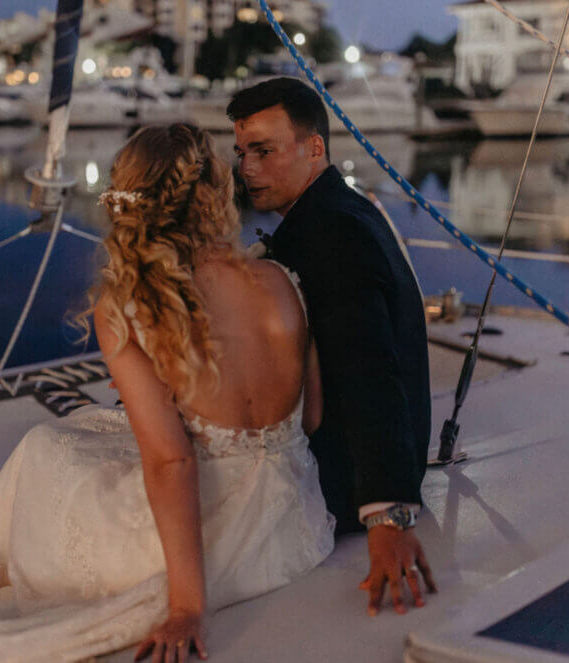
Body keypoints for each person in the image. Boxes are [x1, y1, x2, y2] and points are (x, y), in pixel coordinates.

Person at [0, 124, 334, 663]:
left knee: (47, 446)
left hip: (206, 542)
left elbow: (172, 461)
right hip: (292, 523)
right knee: (90, 425)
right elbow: (310, 416)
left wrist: (186, 606)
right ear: (218, 192)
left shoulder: (132, 302)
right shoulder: (280, 278)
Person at [227, 77, 437, 617]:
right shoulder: (339, 211)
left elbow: (369, 369)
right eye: (241, 152)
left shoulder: (330, 234)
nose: (246, 168)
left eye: (263, 151)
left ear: (314, 147)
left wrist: (387, 515)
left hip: (341, 480)